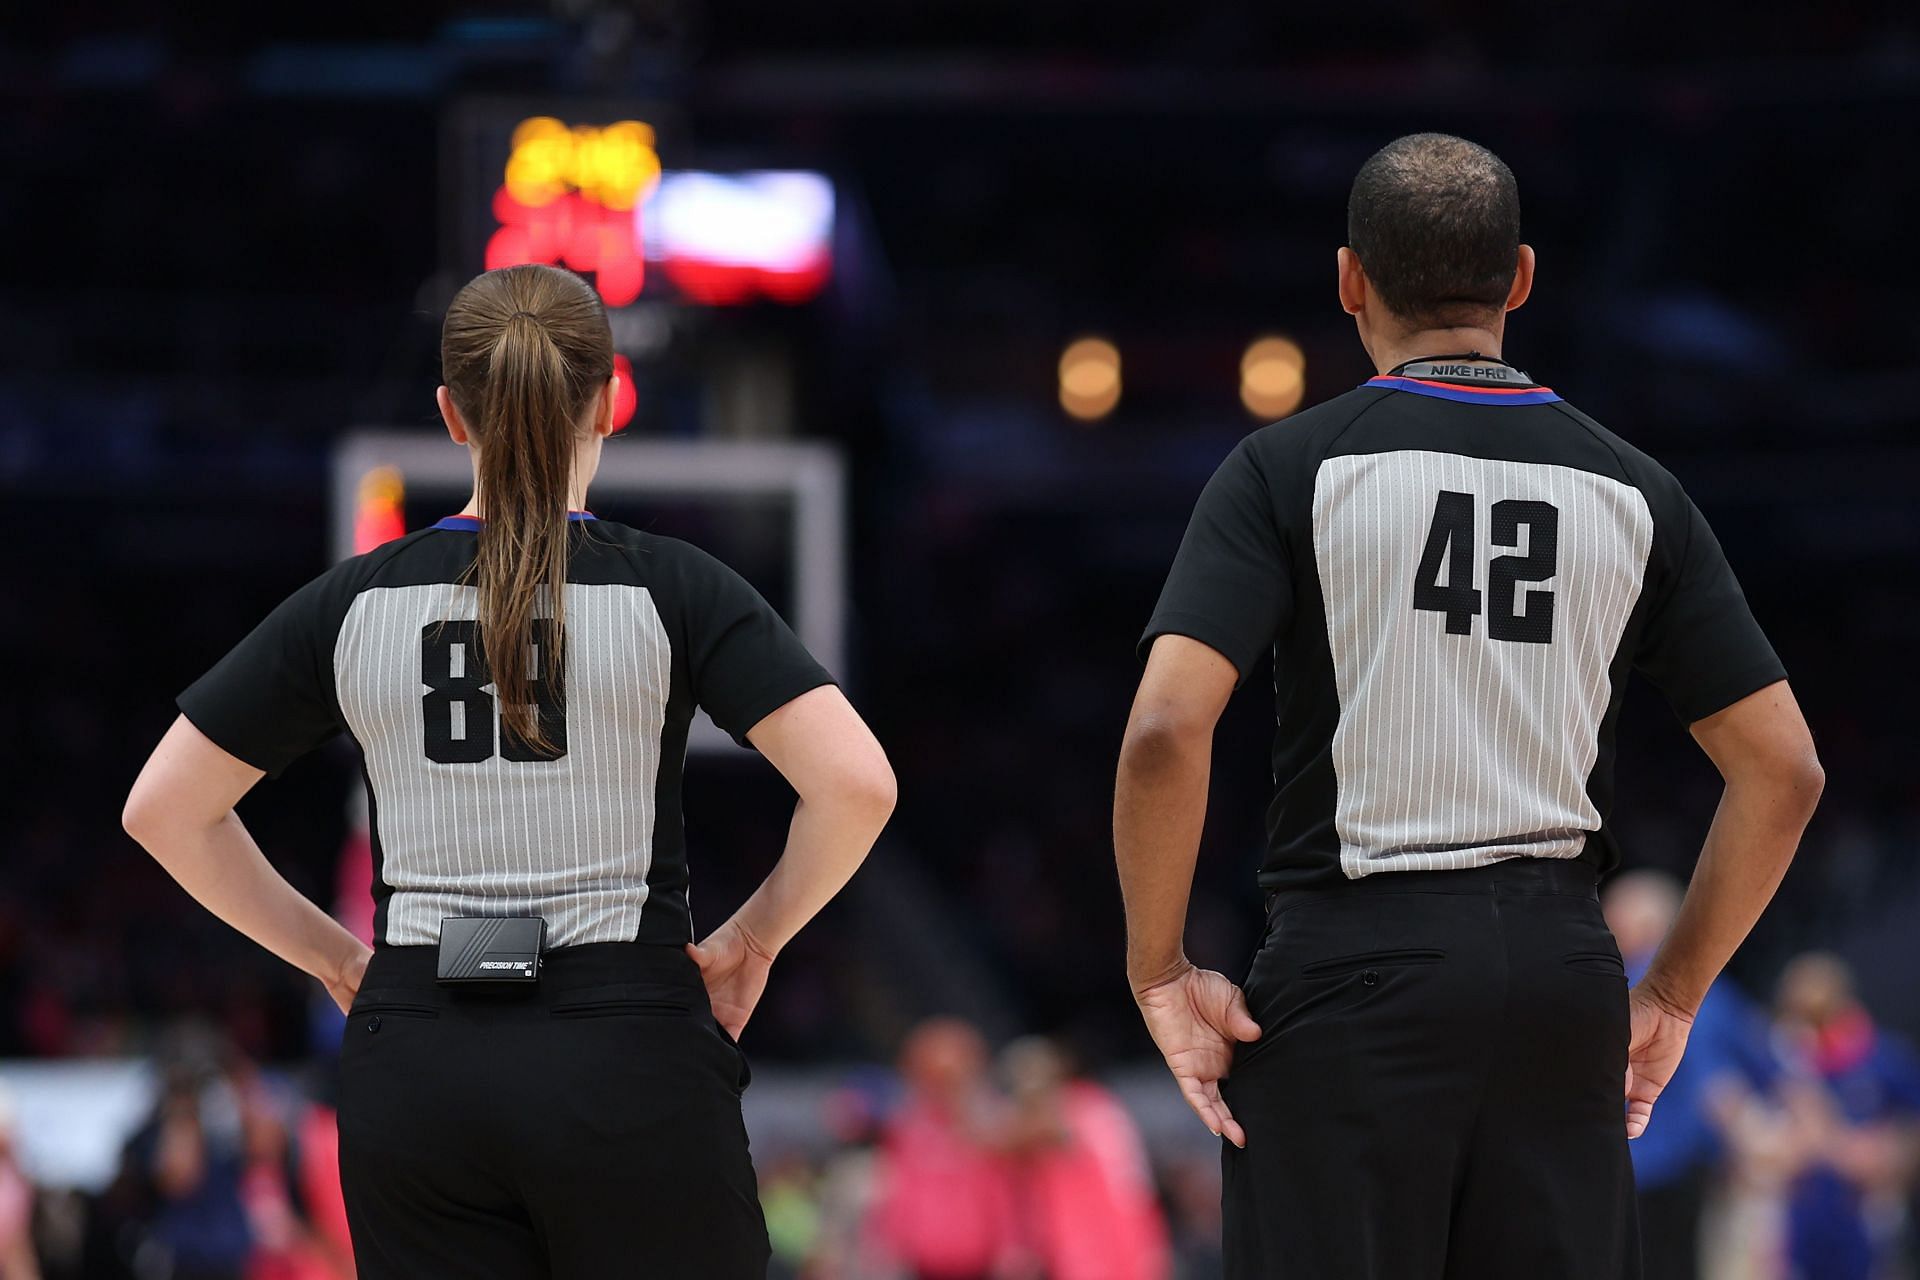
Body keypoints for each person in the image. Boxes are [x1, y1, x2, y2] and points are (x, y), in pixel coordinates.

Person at [1112, 133, 1825, 1278]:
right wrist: (1677, 992)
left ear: (1350, 280)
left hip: (1354, 968)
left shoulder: (1287, 467)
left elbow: (1162, 729)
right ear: (1522, 278)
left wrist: (1159, 965)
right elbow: (1785, 771)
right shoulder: (1639, 490)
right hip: (1562, 977)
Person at [124, 262, 897, 1279]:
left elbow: (165, 808)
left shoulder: (351, 603)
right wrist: (755, 937)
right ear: (610, 398)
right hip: (626, 1040)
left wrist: (338, 958)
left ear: (450, 413)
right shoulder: (674, 587)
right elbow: (857, 782)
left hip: (422, 1051)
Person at [1604, 870, 1771, 1280]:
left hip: (1638, 1184)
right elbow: (1770, 1068)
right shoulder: (1716, 994)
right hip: (1681, 1183)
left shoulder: (1625, 990)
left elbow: (1719, 1091)